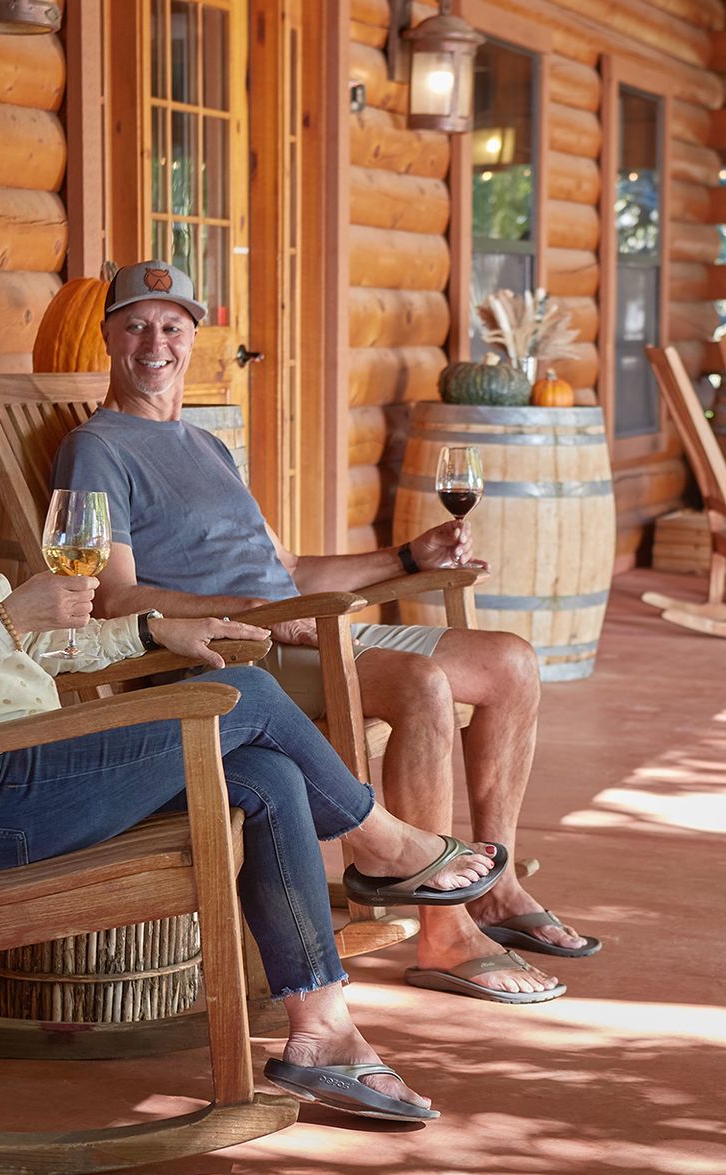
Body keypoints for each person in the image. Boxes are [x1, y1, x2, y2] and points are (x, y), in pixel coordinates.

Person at [0, 306, 512, 1123]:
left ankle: (322, 1031)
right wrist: (10, 619)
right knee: (243, 696)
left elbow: (24, 654)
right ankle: (388, 845)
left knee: (264, 771)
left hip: (18, 762)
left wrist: (148, 628)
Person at [52, 261, 596, 1006]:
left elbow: (293, 564)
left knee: (512, 662)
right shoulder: (98, 448)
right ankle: (444, 932)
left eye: (172, 326)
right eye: (137, 325)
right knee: (417, 682)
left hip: (302, 630)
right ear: (109, 336)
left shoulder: (207, 445)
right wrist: (251, 611)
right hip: (238, 649)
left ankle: (496, 888)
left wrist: (407, 556)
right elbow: (115, 593)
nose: (155, 342)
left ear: (193, 339)